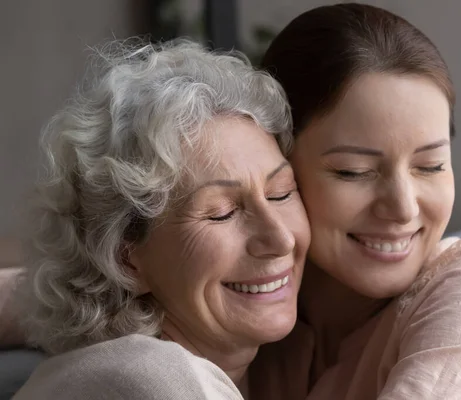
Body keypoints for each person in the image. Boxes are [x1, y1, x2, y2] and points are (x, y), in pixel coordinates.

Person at [249, 3, 461, 399]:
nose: (404, 207)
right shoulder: (246, 316)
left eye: (431, 166)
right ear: (277, 166)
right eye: (354, 171)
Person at [11, 39, 310, 399]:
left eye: (281, 193)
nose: (281, 239)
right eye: (222, 213)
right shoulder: (157, 381)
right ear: (125, 260)